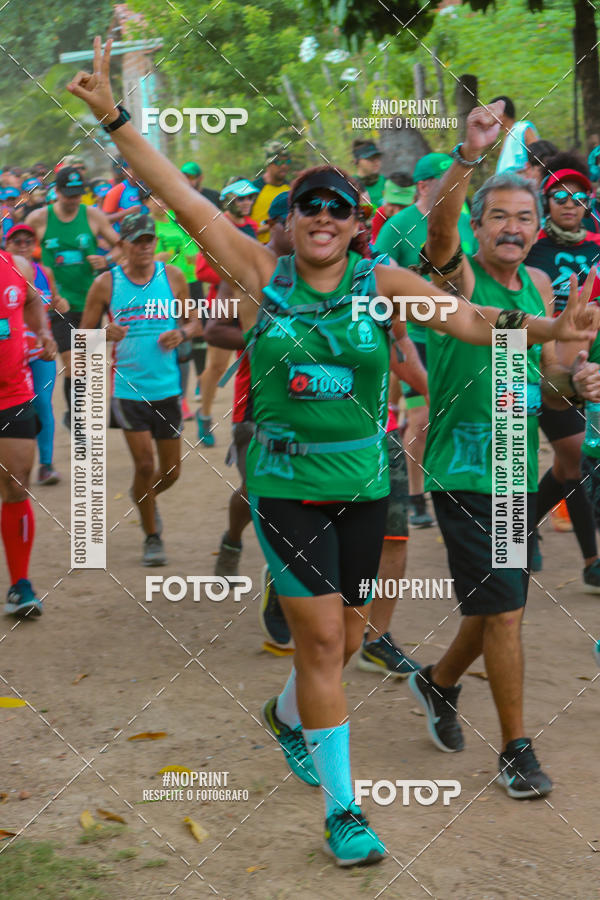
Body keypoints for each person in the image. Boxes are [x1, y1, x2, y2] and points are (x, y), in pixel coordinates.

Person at [67, 41, 598, 863]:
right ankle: (345, 812)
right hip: (282, 483)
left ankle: (286, 716)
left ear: (356, 225)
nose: (321, 217)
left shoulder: (381, 282)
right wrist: (112, 116)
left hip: (362, 480)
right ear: (291, 219)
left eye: (336, 208)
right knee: (320, 643)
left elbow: (469, 321)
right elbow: (170, 192)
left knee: (348, 641)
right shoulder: (257, 272)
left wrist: (551, 329)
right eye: (308, 205)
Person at [408, 100, 600, 800]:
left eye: (525, 217)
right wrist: (470, 153)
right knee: (508, 609)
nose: (514, 227)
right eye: (500, 217)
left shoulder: (544, 287)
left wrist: (578, 378)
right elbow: (438, 227)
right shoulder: (456, 277)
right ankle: (517, 751)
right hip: (462, 470)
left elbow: (546, 384)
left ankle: (437, 682)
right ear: (479, 227)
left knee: (495, 604)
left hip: (516, 467)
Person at [80, 213, 195, 566]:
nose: (145, 246)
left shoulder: (172, 276)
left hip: (168, 388)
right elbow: (83, 338)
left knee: (171, 472)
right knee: (145, 464)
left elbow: (194, 320)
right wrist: (103, 334)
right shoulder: (105, 284)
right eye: (137, 240)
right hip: (129, 391)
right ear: (123, 245)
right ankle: (151, 536)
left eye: (149, 240)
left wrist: (184, 333)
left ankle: (141, 497)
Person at [376, 152, 477, 528]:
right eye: (445, 180)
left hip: (459, 336)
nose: (455, 187)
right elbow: (375, 277)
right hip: (414, 338)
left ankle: (458, 492)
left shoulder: (465, 224)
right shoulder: (397, 225)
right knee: (420, 418)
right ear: (423, 185)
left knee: (460, 415)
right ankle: (415, 495)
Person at [524, 152, 600, 584]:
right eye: (559, 195)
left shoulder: (597, 248)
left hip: (580, 373)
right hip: (527, 366)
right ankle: (591, 563)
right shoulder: (531, 247)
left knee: (572, 462)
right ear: (546, 200)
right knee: (559, 457)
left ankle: (528, 522)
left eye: (579, 196)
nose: (570, 203)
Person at [25, 165, 121, 429]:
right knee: (74, 363)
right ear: (56, 192)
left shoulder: (93, 215)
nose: (73, 199)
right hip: (58, 303)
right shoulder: (39, 219)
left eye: (77, 194)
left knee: (86, 365)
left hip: (90, 301)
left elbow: (121, 247)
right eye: (68, 194)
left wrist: (106, 259)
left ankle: (75, 414)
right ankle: (79, 419)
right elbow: (18, 249)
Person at [0, 244, 57, 616]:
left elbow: (34, 302)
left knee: (18, 484)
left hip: (13, 394)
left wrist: (43, 333)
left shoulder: (16, 265)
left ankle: (21, 586)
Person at [196, 178, 259, 445]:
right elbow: (202, 270)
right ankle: (205, 414)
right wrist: (237, 273)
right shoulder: (217, 227)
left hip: (251, 304)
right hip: (222, 306)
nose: (246, 202)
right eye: (240, 198)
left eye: (249, 198)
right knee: (218, 365)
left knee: (252, 363)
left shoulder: (253, 227)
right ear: (227, 200)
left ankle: (247, 421)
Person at [5, 224, 69, 485]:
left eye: (27, 241)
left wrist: (60, 304)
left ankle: (45, 465)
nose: (22, 245)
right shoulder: (6, 270)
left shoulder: (45, 271)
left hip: (39, 351)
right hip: (11, 354)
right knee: (17, 406)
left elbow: (55, 303)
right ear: (7, 245)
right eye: (16, 240)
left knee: (42, 403)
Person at [251, 141, 290, 243]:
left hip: (284, 251)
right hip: (258, 248)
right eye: (279, 162)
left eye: (287, 162)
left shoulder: (290, 189)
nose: (284, 166)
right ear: (268, 164)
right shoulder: (254, 189)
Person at [492, 95, 539, 174]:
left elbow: (539, 158)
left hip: (524, 184)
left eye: (491, 114)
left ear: (502, 114)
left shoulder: (523, 128)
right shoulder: (506, 137)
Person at [370, 173, 414, 244]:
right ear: (383, 195)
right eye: (392, 204)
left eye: (403, 206)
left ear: (414, 200)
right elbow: (376, 247)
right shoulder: (381, 214)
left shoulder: (421, 218)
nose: (396, 213)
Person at [352, 139, 386, 209]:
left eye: (377, 157)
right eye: (370, 158)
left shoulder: (387, 182)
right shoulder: (350, 184)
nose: (376, 161)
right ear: (356, 161)